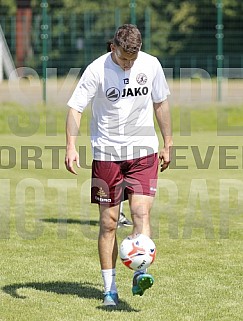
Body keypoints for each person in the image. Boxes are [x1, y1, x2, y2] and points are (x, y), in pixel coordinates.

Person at [65, 24, 173, 306]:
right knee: (109, 222)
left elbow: (160, 103)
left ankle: (141, 273)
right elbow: (76, 108)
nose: (128, 64)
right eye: (124, 58)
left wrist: (168, 143)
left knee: (140, 213)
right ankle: (109, 289)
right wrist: (70, 146)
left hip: (143, 153)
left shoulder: (151, 64)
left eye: (132, 59)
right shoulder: (96, 70)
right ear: (113, 47)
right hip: (107, 155)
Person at [106, 38, 133, 229]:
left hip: (134, 140)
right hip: (110, 142)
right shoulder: (101, 72)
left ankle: (121, 213)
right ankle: (118, 213)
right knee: (118, 181)